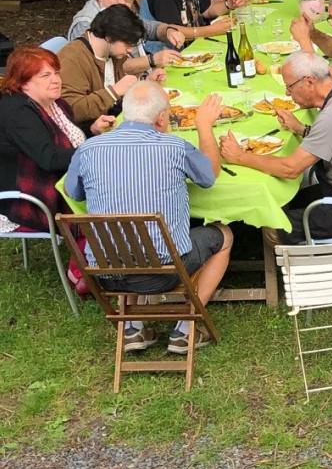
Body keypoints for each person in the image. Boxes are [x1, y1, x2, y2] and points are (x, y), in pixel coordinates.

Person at [64, 83, 233, 354]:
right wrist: (204, 125)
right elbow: (209, 176)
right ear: (162, 118)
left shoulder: (88, 149)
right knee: (225, 235)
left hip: (106, 272)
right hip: (163, 272)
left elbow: (74, 192)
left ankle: (132, 325)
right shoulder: (175, 146)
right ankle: (185, 328)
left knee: (119, 226)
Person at [218, 52, 332, 246]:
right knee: (284, 201)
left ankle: (299, 270)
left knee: (274, 225)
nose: (287, 93)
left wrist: (239, 156)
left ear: (309, 82)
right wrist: (301, 129)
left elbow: (290, 169)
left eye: (289, 87)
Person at [0, 47, 114, 233]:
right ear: (24, 82)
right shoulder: (17, 113)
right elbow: (50, 158)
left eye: (56, 73)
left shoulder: (55, 103)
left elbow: (66, 138)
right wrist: (95, 151)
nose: (56, 80)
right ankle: (101, 249)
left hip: (59, 178)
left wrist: (92, 129)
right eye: (45, 76)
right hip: (32, 193)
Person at [58, 5, 154, 129]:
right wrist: (113, 92)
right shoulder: (72, 57)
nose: (130, 50)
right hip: (87, 132)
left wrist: (145, 83)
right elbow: (71, 110)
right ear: (109, 37)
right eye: (127, 43)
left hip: (111, 122)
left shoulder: (113, 53)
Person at [67, 0, 185, 51]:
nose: (123, 1)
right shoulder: (85, 23)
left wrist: (168, 31)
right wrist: (151, 61)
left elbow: (150, 28)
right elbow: (101, 66)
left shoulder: (119, 12)